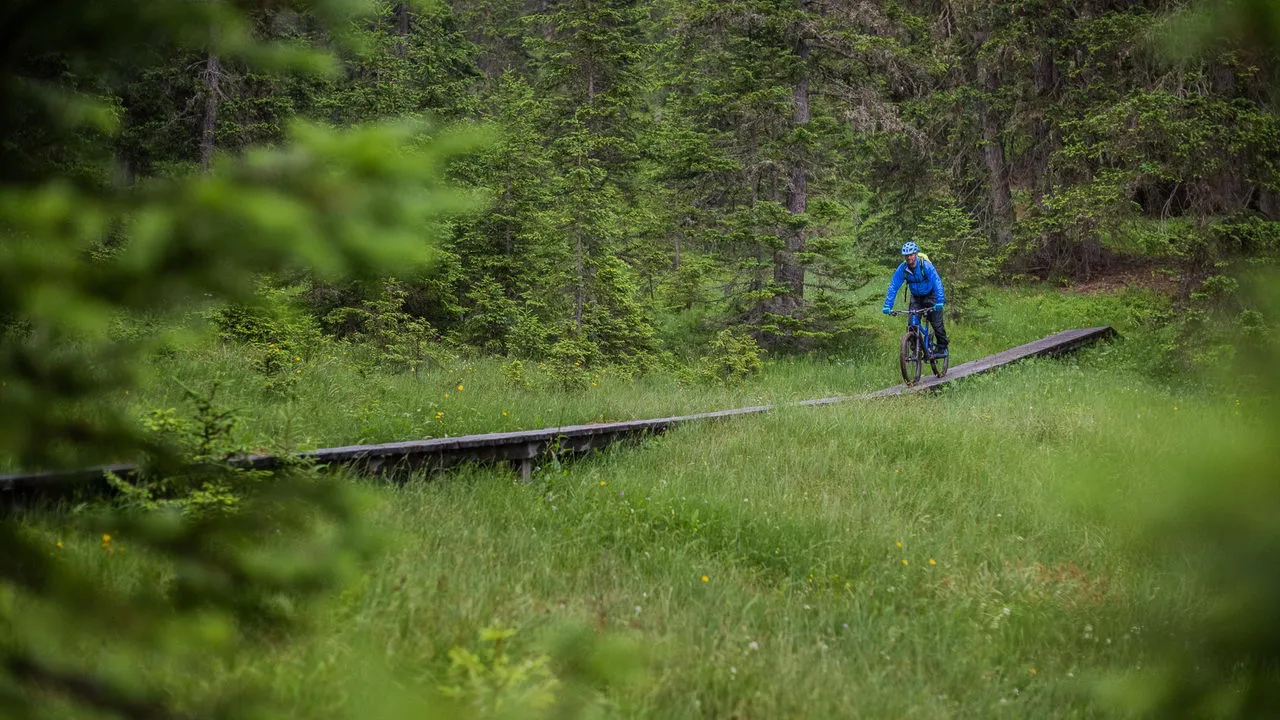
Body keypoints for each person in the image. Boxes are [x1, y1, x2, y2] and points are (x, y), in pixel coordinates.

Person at [881, 241, 948, 357]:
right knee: (912, 325)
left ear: (916, 254)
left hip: (931, 295)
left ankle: (942, 348)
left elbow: (936, 282)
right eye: (906, 255)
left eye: (911, 254)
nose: (908, 257)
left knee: (937, 325)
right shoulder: (902, 269)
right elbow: (893, 286)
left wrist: (940, 301)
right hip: (916, 298)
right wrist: (888, 305)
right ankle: (915, 351)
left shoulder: (925, 266)